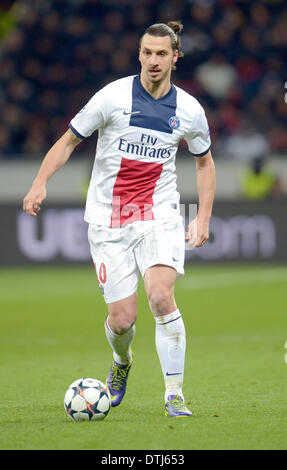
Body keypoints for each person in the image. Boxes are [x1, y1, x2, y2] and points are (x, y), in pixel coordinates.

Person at [23, 21, 215, 418]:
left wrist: (202, 219)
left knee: (161, 296)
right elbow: (69, 140)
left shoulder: (190, 110)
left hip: (159, 214)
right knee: (123, 319)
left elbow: (205, 163)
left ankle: (174, 395)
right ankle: (122, 362)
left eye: (162, 53)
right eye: (147, 52)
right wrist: (40, 181)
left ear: (175, 57)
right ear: (139, 54)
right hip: (109, 219)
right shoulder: (112, 97)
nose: (153, 60)